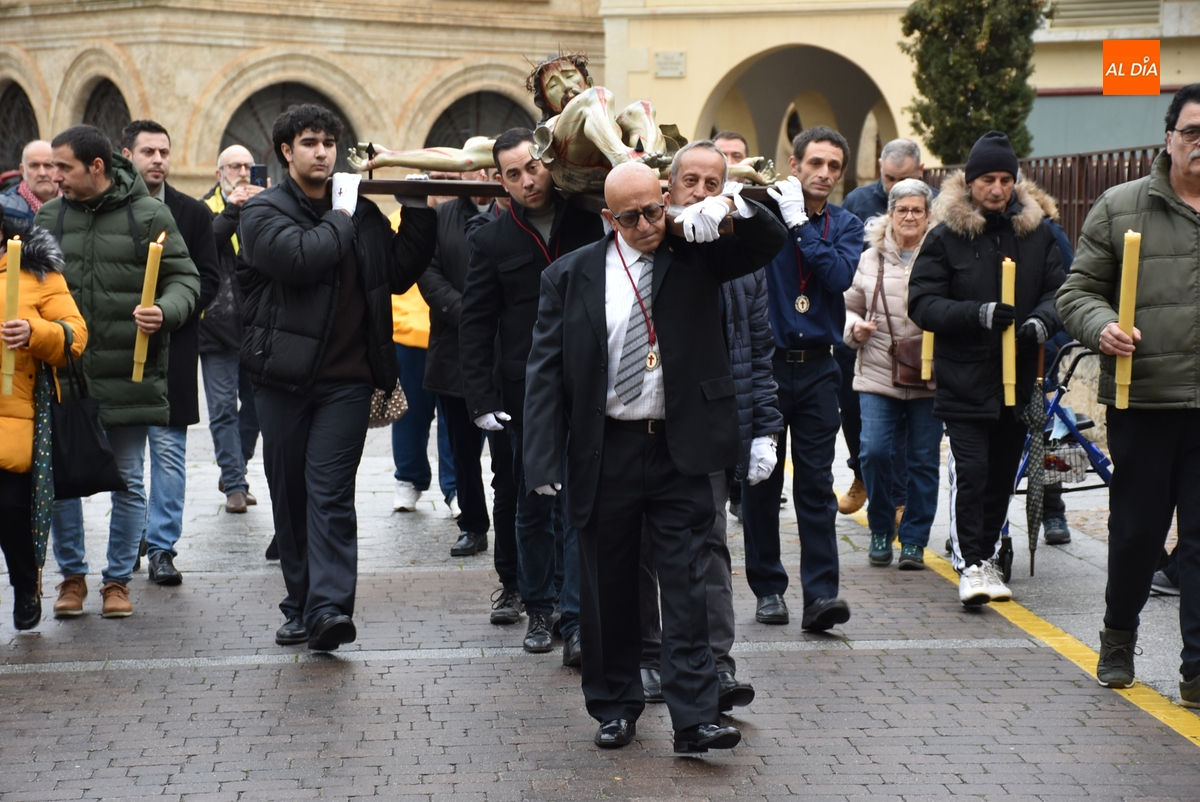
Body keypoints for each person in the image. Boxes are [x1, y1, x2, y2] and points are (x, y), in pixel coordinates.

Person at [523, 161, 786, 752]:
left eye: (654, 209)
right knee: (608, 583)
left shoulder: (695, 253)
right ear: (606, 218)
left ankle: (694, 717)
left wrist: (732, 206)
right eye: (631, 216)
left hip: (681, 445)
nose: (647, 224)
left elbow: (768, 242)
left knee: (689, 581)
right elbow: (544, 374)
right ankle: (614, 705)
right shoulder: (570, 276)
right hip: (607, 446)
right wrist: (540, 461)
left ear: (665, 199)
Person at [237, 104, 436, 650]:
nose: (321, 152)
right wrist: (344, 216)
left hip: (348, 380)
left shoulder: (358, 211)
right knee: (290, 494)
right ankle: (298, 605)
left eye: (328, 142)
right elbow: (302, 259)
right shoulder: (263, 213)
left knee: (328, 493)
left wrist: (416, 210)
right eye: (309, 142)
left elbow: (395, 273)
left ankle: (328, 610)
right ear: (286, 152)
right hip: (281, 380)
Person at [1055, 84, 1200, 700]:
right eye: (1193, 131)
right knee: (1139, 532)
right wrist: (1101, 326)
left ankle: (1197, 669)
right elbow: (1075, 292)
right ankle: (1118, 635)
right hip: (1145, 400)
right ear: (1169, 138)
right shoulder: (1121, 206)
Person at [636, 140, 782, 714]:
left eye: (712, 184)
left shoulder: (740, 265)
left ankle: (717, 663)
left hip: (711, 425)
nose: (699, 193)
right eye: (689, 182)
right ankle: (649, 653)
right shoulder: (638, 249)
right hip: (644, 422)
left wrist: (764, 428)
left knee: (710, 547)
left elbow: (757, 352)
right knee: (644, 546)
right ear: (668, 188)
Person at [38, 124, 199, 619]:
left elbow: (185, 279)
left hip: (131, 374)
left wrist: (166, 311)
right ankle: (71, 579)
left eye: (63, 167)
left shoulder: (150, 214)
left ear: (97, 167)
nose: (53, 175)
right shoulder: (49, 215)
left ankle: (116, 582)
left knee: (128, 479)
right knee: (64, 479)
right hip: (65, 375)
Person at [459, 127, 603, 654]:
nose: (527, 181)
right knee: (530, 502)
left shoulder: (590, 220)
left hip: (590, 383)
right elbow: (475, 324)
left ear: (549, 164)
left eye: (533, 168)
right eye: (513, 174)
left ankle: (574, 613)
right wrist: (483, 401)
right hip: (526, 395)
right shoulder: (492, 239)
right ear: (500, 181)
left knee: (578, 503)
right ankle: (538, 609)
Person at [909, 130, 1064, 607]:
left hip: (1019, 378)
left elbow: (1062, 289)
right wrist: (974, 313)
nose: (996, 189)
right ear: (970, 183)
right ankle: (970, 562)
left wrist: (1041, 321)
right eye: (986, 180)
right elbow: (923, 301)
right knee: (972, 471)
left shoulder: (1039, 234)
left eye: (1004, 179)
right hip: (965, 376)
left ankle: (988, 554)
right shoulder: (945, 236)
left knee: (1001, 475)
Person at [741, 126, 864, 631]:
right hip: (767, 365)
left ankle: (821, 596)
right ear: (794, 165)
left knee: (816, 485)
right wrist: (784, 217)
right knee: (762, 483)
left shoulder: (849, 224)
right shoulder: (765, 215)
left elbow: (837, 276)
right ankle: (768, 589)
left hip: (817, 366)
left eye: (834, 166)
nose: (825, 174)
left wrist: (801, 227)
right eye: (815, 163)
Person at [417, 170, 520, 626]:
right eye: (472, 170)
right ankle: (472, 524)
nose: (480, 178)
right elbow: (428, 272)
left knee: (506, 462)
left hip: (503, 355)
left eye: (487, 171)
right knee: (460, 449)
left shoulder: (512, 212)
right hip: (453, 351)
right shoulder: (441, 217)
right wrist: (470, 309)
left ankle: (512, 551)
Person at [119, 120, 220, 586]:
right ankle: (133, 534)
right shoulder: (109, 211)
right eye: (148, 152)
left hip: (174, 351)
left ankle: (162, 546)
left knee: (168, 454)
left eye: (164, 152)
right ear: (127, 155)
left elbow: (208, 280)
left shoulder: (192, 214)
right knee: (126, 456)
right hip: (119, 353)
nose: (158, 159)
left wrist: (171, 312)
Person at [843, 179, 941, 571]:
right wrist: (854, 328)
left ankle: (915, 539)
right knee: (874, 451)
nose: (910, 217)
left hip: (929, 372)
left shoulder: (940, 255)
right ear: (890, 214)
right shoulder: (870, 257)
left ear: (929, 216)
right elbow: (848, 305)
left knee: (922, 460)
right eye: (903, 210)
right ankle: (882, 527)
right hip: (878, 370)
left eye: (918, 210)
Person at [0, 220, 86, 631]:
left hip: (16, 416)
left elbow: (74, 336)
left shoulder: (37, 270)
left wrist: (33, 332)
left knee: (10, 510)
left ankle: (24, 585)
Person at [836, 139, 928, 517]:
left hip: (912, 337)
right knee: (857, 415)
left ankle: (899, 498)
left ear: (920, 173)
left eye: (904, 179)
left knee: (906, 430)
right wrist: (854, 323)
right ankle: (862, 476)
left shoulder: (930, 205)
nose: (895, 188)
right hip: (864, 333)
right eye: (889, 179)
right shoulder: (858, 202)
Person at [200, 144, 265, 515]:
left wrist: (264, 202)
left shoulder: (266, 202)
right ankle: (236, 485)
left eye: (247, 165)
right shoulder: (204, 208)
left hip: (256, 324)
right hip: (217, 326)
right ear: (219, 173)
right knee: (223, 408)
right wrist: (233, 209)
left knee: (257, 406)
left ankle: (234, 467)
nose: (242, 171)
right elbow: (205, 245)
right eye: (234, 165)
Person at [1, 140, 59, 224]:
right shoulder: (4, 208)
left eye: (48, 165)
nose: (42, 173)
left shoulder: (77, 206)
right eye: (34, 166)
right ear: (23, 170)